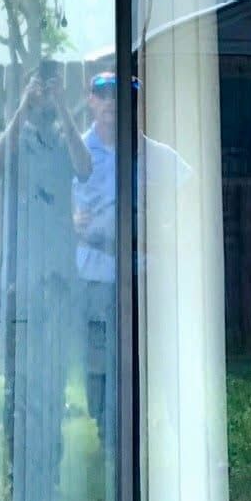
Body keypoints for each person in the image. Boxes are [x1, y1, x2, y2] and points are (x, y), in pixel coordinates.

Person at [0, 62, 89, 501]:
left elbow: (85, 167)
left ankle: (47, 487)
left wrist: (65, 110)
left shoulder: (65, 136)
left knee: (52, 386)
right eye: (38, 86)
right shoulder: (17, 135)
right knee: (17, 389)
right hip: (19, 284)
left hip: (57, 285)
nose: (45, 94)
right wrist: (22, 108)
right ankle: (15, 486)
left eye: (50, 87)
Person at [72, 69, 186, 457]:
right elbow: (49, 206)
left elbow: (191, 207)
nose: (111, 103)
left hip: (147, 276)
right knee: (99, 362)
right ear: (90, 100)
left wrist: (167, 224)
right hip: (95, 277)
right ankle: (109, 442)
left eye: (121, 95)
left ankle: (166, 441)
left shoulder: (160, 156)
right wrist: (70, 221)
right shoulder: (76, 153)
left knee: (153, 359)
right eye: (102, 94)